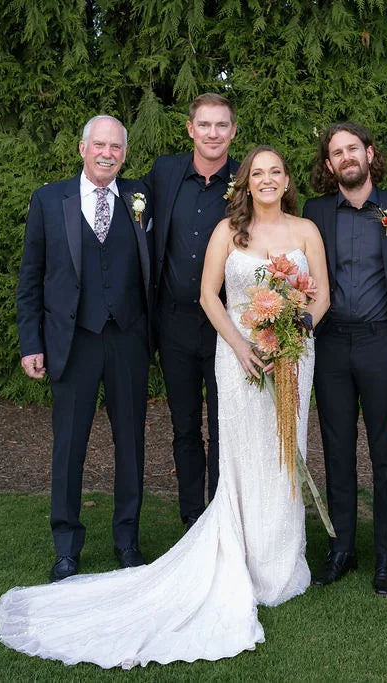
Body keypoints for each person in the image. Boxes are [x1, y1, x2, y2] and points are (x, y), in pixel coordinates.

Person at [0, 145, 330, 668]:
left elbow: (320, 296)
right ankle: (228, 554)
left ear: (287, 181)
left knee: (286, 449)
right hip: (238, 356)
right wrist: (243, 345)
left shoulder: (307, 230)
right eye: (257, 173)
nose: (267, 180)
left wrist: (292, 333)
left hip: (292, 356)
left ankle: (282, 565)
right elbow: (209, 295)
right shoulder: (228, 231)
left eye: (276, 173)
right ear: (245, 183)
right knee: (240, 453)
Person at [15, 115, 152, 582]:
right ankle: (67, 546)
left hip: (129, 339)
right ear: (82, 148)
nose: (107, 153)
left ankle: (127, 541)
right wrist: (31, 342)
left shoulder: (141, 198)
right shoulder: (49, 200)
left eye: (116, 147)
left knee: (131, 444)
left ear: (124, 154)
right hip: (71, 342)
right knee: (69, 446)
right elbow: (31, 278)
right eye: (99, 145)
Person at [302, 122, 387, 596]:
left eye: (353, 148)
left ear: (369, 154)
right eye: (336, 152)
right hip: (330, 344)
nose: (346, 157)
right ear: (329, 165)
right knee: (337, 450)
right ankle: (342, 549)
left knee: (386, 453)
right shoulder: (314, 214)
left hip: (382, 346)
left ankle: (386, 557)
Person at [144, 93, 238, 528]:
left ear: (232, 132)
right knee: (184, 427)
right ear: (190, 129)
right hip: (174, 323)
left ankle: (221, 517)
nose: (213, 133)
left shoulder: (247, 182)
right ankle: (192, 519)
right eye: (205, 125)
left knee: (224, 427)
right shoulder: (164, 173)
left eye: (221, 125)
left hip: (226, 325)